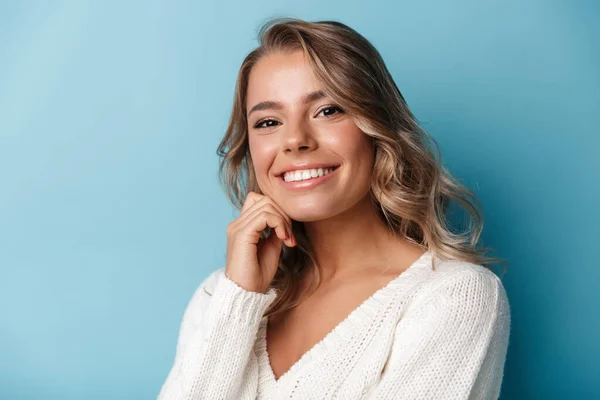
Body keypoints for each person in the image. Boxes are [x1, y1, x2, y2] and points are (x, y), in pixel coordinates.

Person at [157, 17, 511, 400]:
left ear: (377, 128)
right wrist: (238, 300)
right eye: (269, 121)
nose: (294, 140)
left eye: (327, 111)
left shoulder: (452, 298)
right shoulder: (218, 296)